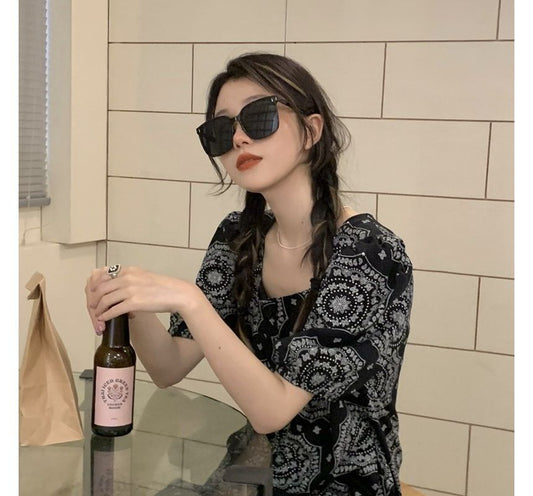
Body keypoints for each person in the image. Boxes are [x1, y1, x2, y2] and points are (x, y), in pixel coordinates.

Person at [86, 53, 414, 496]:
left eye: (258, 117)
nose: (238, 138)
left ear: (311, 131)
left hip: (342, 486)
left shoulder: (369, 252)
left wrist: (188, 299)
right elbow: (167, 366)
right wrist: (130, 298)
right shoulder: (238, 237)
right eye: (221, 131)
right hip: (249, 476)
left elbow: (272, 411)